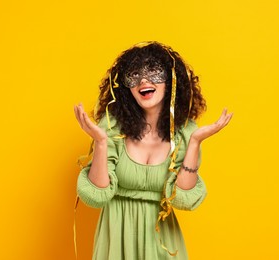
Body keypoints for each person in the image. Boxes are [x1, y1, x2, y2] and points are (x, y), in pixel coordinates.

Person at [74, 41, 233, 260]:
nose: (144, 81)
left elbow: (183, 199)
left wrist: (195, 142)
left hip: (163, 242)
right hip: (116, 239)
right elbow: (96, 196)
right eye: (134, 74)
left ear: (171, 81)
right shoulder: (112, 128)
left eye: (153, 71)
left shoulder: (185, 133)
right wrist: (101, 143)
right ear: (125, 86)